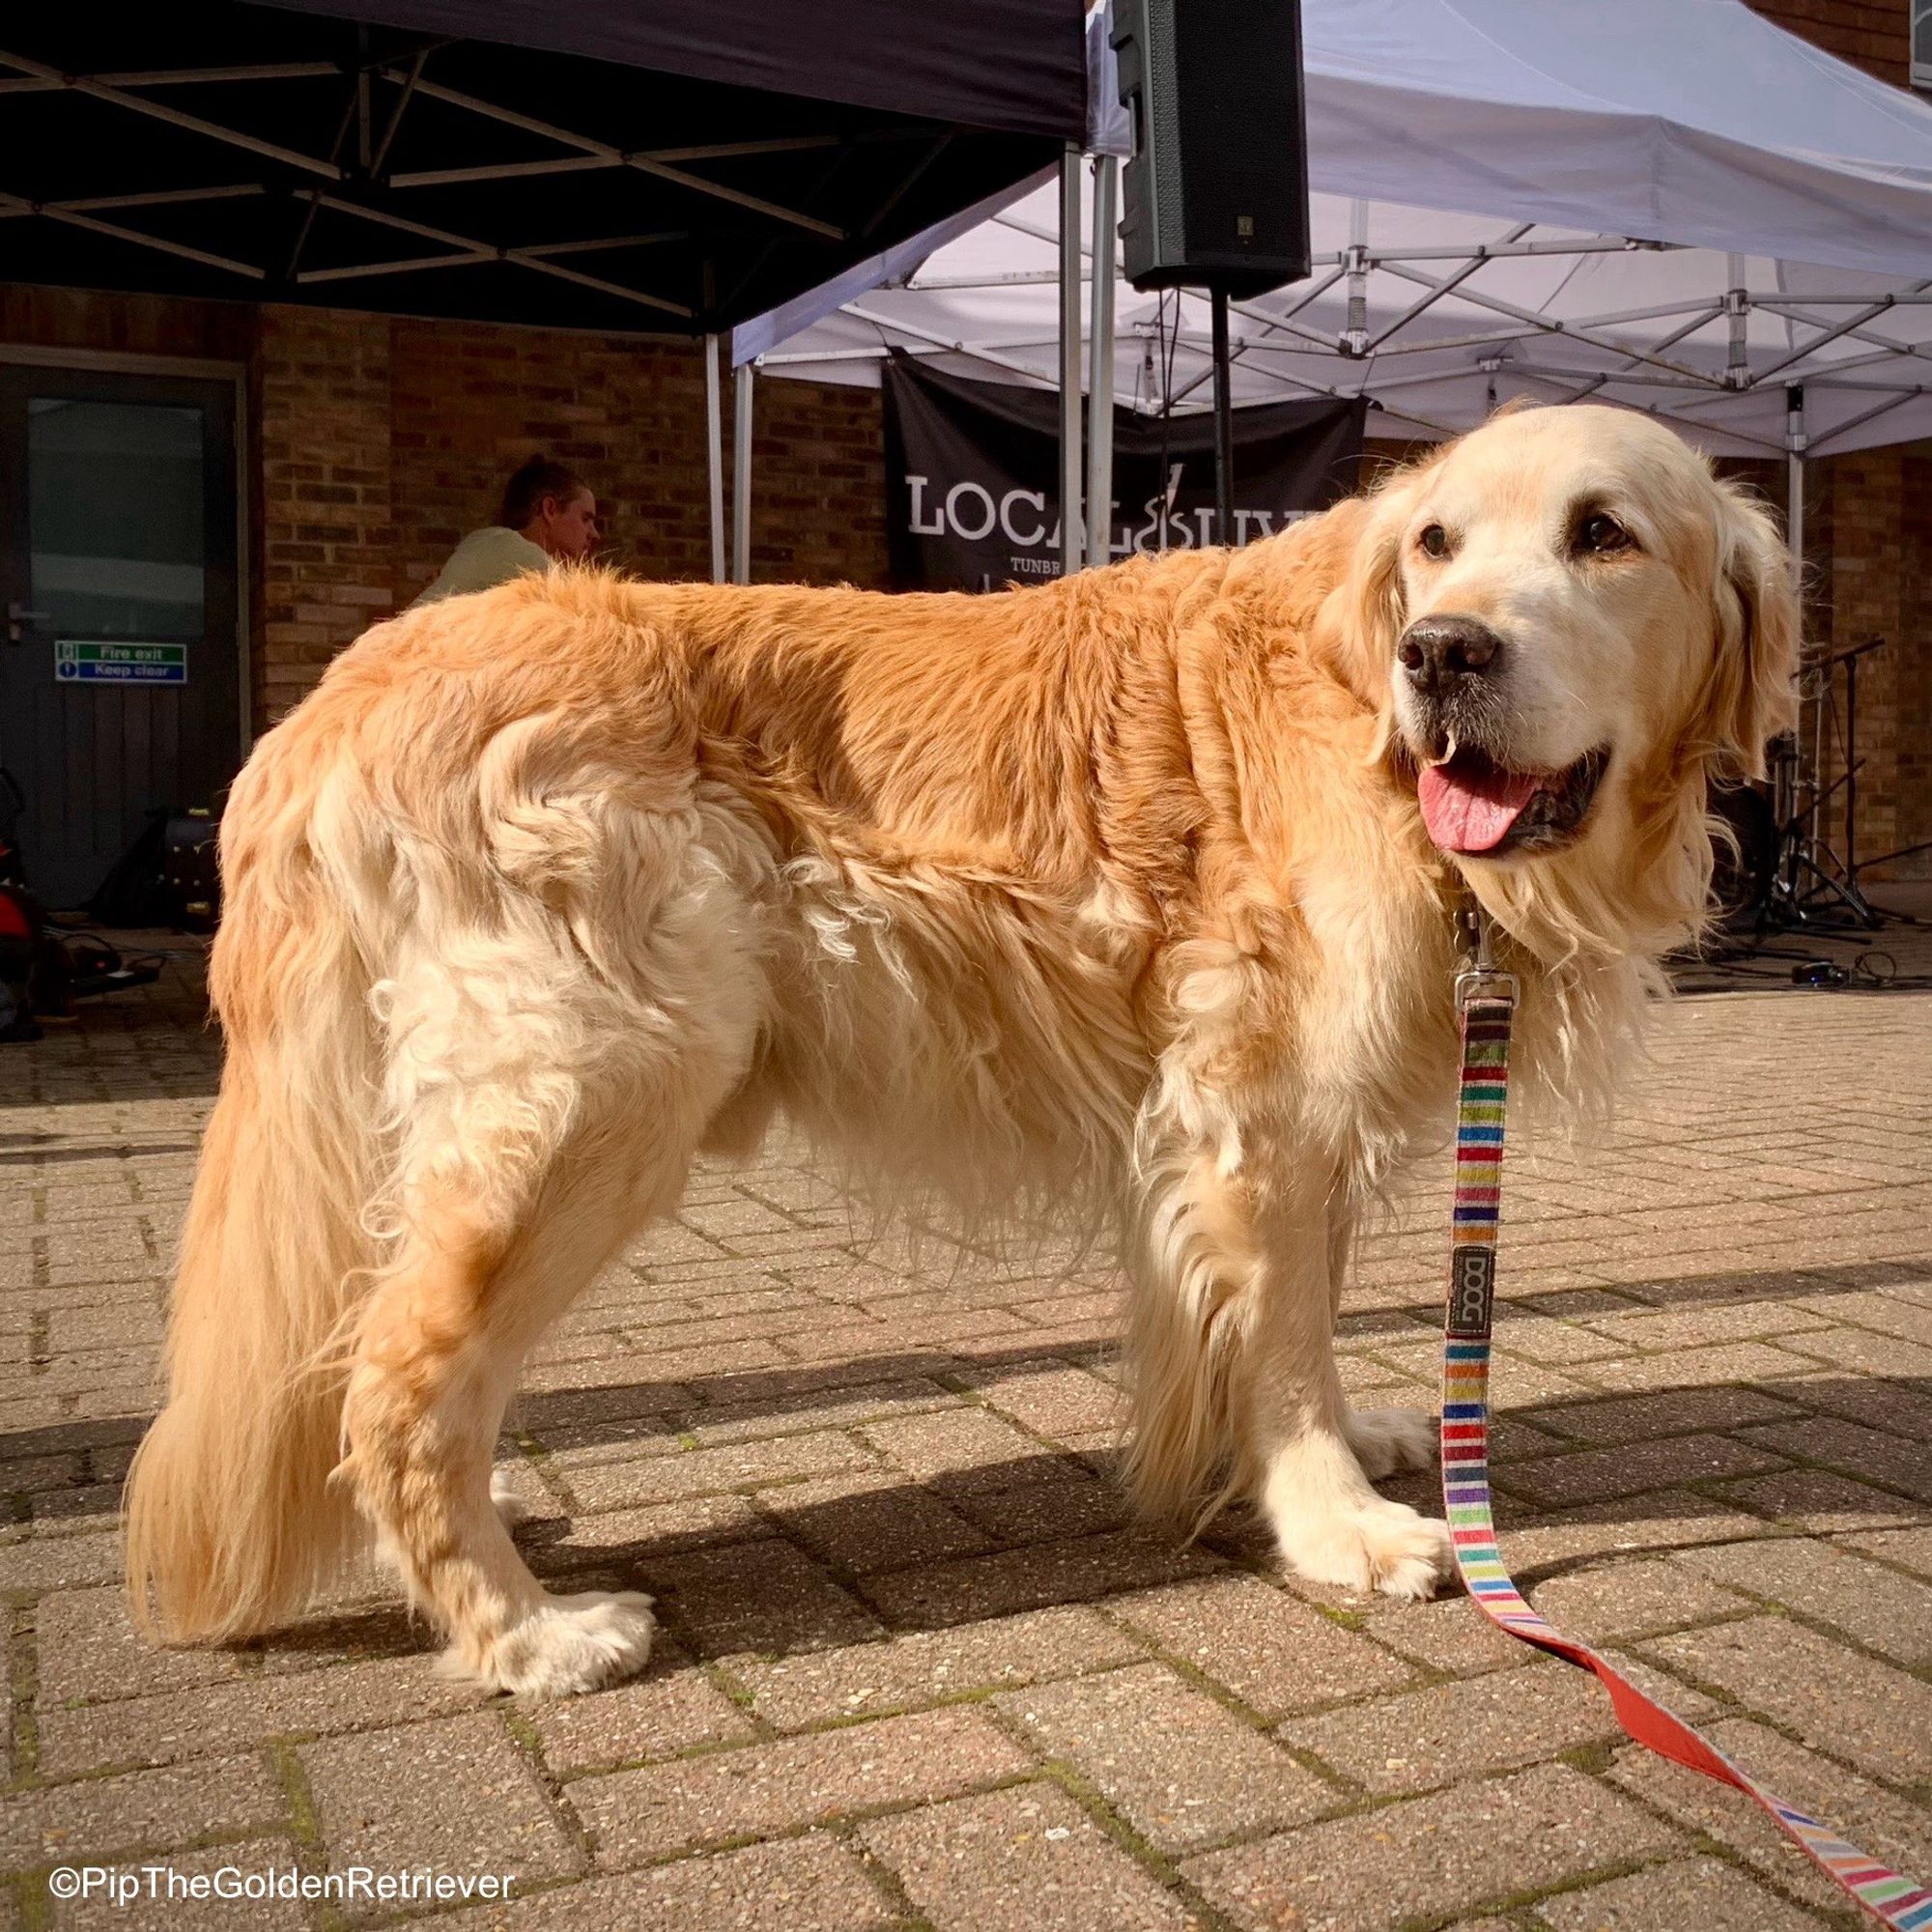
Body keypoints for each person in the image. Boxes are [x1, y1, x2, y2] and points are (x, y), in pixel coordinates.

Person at [410, 457, 600, 607]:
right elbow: (591, 613)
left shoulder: (489, 544)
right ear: (550, 509)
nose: (595, 534)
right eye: (585, 519)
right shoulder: (519, 555)